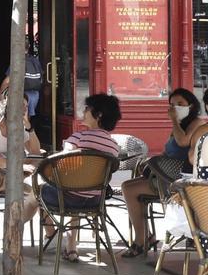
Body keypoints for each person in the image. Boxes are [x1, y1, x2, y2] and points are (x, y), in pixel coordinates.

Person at [121, 88, 204, 257]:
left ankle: (141, 240)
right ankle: (145, 235)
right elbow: (168, 152)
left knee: (130, 190)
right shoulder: (178, 126)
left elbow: (183, 142)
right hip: (165, 176)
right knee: (128, 186)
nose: (175, 108)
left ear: (191, 105)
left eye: (180, 104)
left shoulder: (197, 123)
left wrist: (174, 120)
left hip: (179, 180)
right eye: (172, 105)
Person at [49, 93, 121, 262]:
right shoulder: (113, 147)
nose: (84, 111)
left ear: (99, 115)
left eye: (88, 108)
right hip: (94, 200)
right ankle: (71, 247)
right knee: (78, 187)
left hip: (67, 199)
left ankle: (20, 233)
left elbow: (61, 166)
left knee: (34, 194)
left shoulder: (77, 138)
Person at [0, 97, 41, 223]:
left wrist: (29, 128)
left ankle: (49, 233)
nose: (25, 110)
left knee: (39, 180)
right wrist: (18, 167)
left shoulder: (18, 126)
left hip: (9, 173)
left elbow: (35, 152)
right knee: (37, 190)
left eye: (26, 107)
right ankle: (16, 224)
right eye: (21, 106)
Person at [0, 37, 44, 119]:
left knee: (23, 117)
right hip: (35, 94)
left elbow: (7, 81)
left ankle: (25, 131)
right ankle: (28, 131)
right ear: (29, 46)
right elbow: (41, 77)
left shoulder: (18, 61)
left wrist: (0, 93)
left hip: (22, 94)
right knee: (28, 118)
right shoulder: (35, 60)